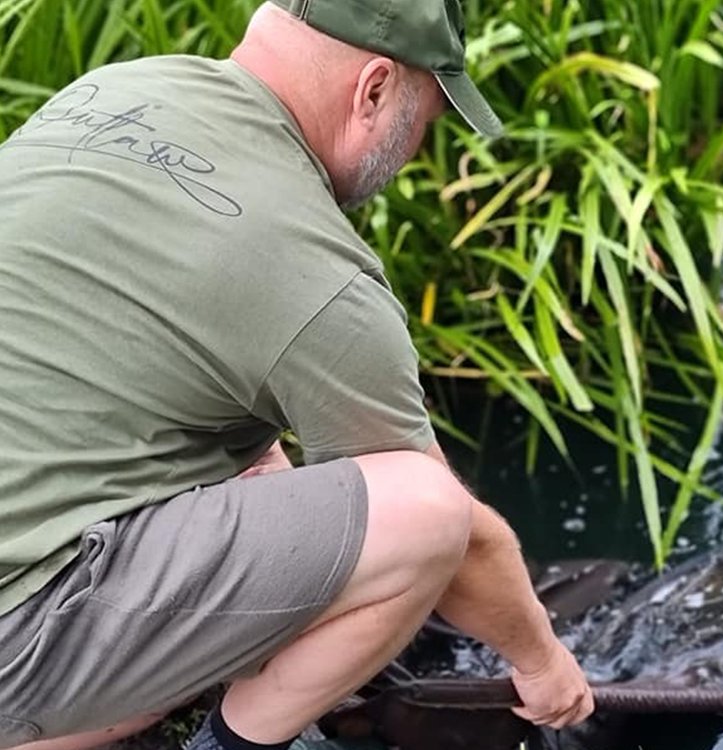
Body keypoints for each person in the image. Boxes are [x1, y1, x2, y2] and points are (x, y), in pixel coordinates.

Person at [0, 1, 595, 749]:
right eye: (427, 120)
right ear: (374, 89)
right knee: (427, 510)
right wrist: (542, 664)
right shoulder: (318, 278)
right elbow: (458, 540)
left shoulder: (111, 94)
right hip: (13, 637)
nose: (417, 147)